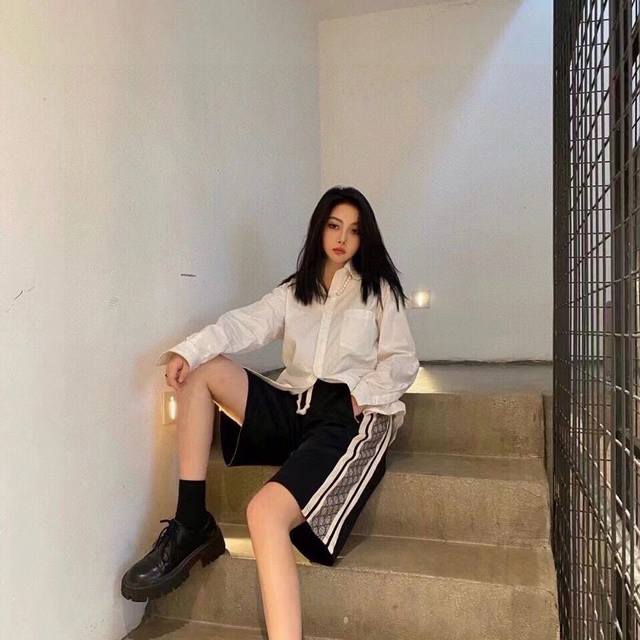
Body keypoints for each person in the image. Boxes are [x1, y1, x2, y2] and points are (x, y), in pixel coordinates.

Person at [121, 185, 420, 639]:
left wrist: (358, 396)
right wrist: (188, 351)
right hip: (295, 403)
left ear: (366, 238)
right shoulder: (295, 291)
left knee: (264, 513)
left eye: (354, 230)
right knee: (203, 370)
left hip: (348, 415)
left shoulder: (379, 290)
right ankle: (191, 521)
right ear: (320, 229)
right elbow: (242, 324)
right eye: (334, 226)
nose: (342, 238)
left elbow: (401, 362)